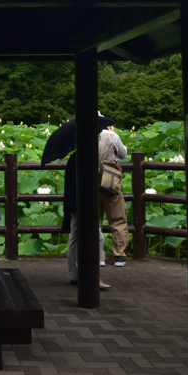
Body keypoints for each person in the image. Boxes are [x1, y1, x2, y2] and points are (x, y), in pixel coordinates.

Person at [64, 112, 113, 291]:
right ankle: (92, 275)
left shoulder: (75, 157)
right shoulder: (84, 157)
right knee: (97, 237)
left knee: (75, 236)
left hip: (74, 202)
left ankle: (74, 273)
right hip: (84, 202)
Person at [99, 123, 129, 267]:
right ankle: (119, 256)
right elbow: (123, 154)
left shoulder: (84, 134)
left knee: (93, 220)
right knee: (117, 218)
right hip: (110, 181)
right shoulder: (112, 136)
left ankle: (98, 256)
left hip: (89, 181)